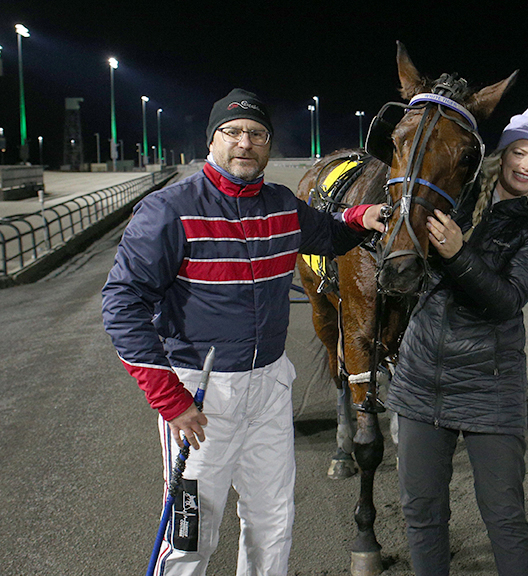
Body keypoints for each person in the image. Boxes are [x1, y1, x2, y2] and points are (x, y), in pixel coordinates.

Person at [101, 88, 386, 576]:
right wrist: (171, 400)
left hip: (270, 388)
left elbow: (330, 232)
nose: (245, 143)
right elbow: (121, 306)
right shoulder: (168, 210)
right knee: (191, 532)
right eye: (232, 132)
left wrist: (363, 216)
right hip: (200, 397)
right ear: (211, 140)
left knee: (273, 521)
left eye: (257, 134)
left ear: (268, 144)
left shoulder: (280, 204)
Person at [386, 104, 528, 576]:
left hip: (491, 389)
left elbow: (504, 302)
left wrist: (458, 252)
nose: (526, 166)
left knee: (505, 519)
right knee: (421, 514)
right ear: (502, 153)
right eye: (519, 152)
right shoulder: (454, 201)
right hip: (421, 382)